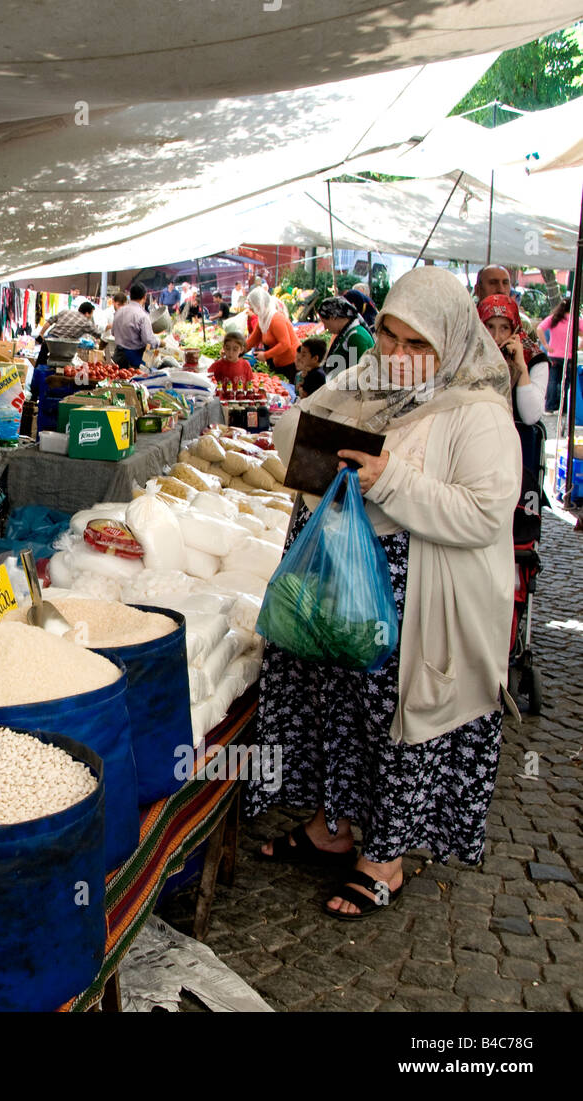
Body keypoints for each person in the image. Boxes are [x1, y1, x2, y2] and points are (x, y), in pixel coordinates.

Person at [247, 265, 520, 920]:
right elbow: (296, 434)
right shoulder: (376, 383)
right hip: (346, 588)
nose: (396, 354)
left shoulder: (478, 412)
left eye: (415, 343)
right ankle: (330, 825)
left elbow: (483, 514)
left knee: (394, 725)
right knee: (335, 705)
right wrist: (347, 398)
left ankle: (384, 859)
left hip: (420, 601)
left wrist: (390, 477)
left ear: (451, 341)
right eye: (389, 336)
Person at [478, 294, 548, 425]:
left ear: (515, 328)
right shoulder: (470, 355)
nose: (496, 337)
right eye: (489, 327)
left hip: (521, 440)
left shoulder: (535, 360)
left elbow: (530, 416)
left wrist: (521, 367)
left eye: (504, 328)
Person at [244, 285, 298, 379]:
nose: (251, 310)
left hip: (290, 364)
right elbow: (252, 340)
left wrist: (265, 355)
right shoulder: (262, 320)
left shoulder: (276, 319)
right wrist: (237, 350)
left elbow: (285, 344)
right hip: (277, 362)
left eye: (252, 307)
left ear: (259, 305)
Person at [318, 295, 375, 381]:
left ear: (333, 318)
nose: (325, 327)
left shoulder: (356, 337)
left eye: (325, 322)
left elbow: (357, 376)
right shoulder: (348, 334)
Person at [536, 297, 573, 413]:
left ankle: (550, 406)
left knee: (552, 381)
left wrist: (545, 345)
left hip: (553, 354)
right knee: (565, 382)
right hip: (568, 355)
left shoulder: (554, 318)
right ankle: (562, 407)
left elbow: (539, 328)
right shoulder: (574, 319)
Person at [111, 283, 159, 368]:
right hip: (133, 361)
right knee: (132, 381)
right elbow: (148, 340)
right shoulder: (142, 315)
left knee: (116, 380)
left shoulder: (119, 312)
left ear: (130, 295)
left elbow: (113, 332)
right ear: (144, 297)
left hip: (117, 357)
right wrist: (158, 342)